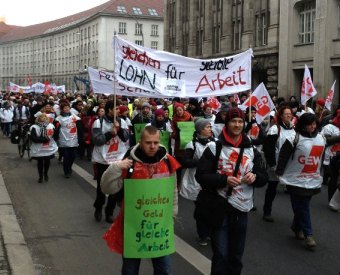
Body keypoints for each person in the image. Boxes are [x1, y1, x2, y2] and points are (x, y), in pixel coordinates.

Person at [195, 107, 267, 275]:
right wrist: (224, 180)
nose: (237, 125)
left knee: (236, 255)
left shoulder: (251, 148)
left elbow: (262, 176)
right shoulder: (214, 147)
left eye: (240, 121)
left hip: (242, 210)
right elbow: (201, 175)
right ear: (227, 123)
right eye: (233, 121)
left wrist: (255, 177)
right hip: (219, 207)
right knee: (221, 255)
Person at [100, 125, 181, 275]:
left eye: (156, 143)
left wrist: (173, 214)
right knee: (130, 270)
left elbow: (173, 190)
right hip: (133, 227)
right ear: (140, 141)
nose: (152, 146)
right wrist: (116, 168)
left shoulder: (168, 162)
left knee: (164, 270)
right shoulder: (129, 163)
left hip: (159, 228)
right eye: (148, 142)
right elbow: (106, 188)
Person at [275, 113, 340, 250]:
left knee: (302, 205)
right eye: (309, 124)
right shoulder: (293, 138)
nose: (312, 126)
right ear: (303, 124)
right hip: (294, 179)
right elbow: (283, 156)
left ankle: (296, 226)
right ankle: (308, 234)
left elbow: (333, 140)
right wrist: (279, 171)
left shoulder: (321, 138)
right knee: (302, 206)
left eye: (314, 124)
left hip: (312, 178)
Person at [91, 100, 130, 223]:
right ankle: (98, 207)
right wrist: (110, 134)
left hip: (117, 159)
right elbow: (97, 140)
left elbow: (126, 137)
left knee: (115, 187)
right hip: (102, 160)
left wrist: (119, 129)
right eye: (116, 108)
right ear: (109, 110)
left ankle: (109, 212)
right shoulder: (98, 122)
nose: (119, 110)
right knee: (101, 187)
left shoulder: (122, 121)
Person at [180, 118, 215, 246]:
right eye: (207, 127)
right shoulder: (192, 144)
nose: (210, 129)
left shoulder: (216, 143)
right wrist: (200, 162)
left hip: (211, 180)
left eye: (210, 126)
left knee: (211, 207)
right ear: (200, 130)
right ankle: (203, 234)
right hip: (196, 181)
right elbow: (185, 162)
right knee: (201, 209)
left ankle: (211, 232)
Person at [262, 105, 295, 222]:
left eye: (290, 113)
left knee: (295, 191)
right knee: (272, 188)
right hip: (276, 163)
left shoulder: (294, 129)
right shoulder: (275, 129)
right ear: (281, 115)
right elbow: (268, 148)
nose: (289, 116)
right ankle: (267, 211)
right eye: (286, 114)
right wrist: (272, 165)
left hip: (289, 164)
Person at [54, 101, 82, 178]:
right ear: (62, 109)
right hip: (64, 140)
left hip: (73, 139)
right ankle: (66, 171)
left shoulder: (75, 117)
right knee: (66, 156)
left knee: (72, 156)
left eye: (68, 108)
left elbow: (79, 127)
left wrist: (80, 137)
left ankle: (69, 167)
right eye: (65, 108)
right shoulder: (58, 118)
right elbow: (56, 129)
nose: (66, 109)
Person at [30, 113, 58, 182]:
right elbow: (34, 138)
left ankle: (45, 173)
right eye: (41, 118)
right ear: (38, 119)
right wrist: (44, 139)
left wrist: (57, 130)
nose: (43, 120)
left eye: (44, 118)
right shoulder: (34, 127)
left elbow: (55, 136)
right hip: (39, 148)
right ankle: (40, 176)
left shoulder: (51, 126)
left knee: (47, 162)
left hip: (48, 148)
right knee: (40, 162)